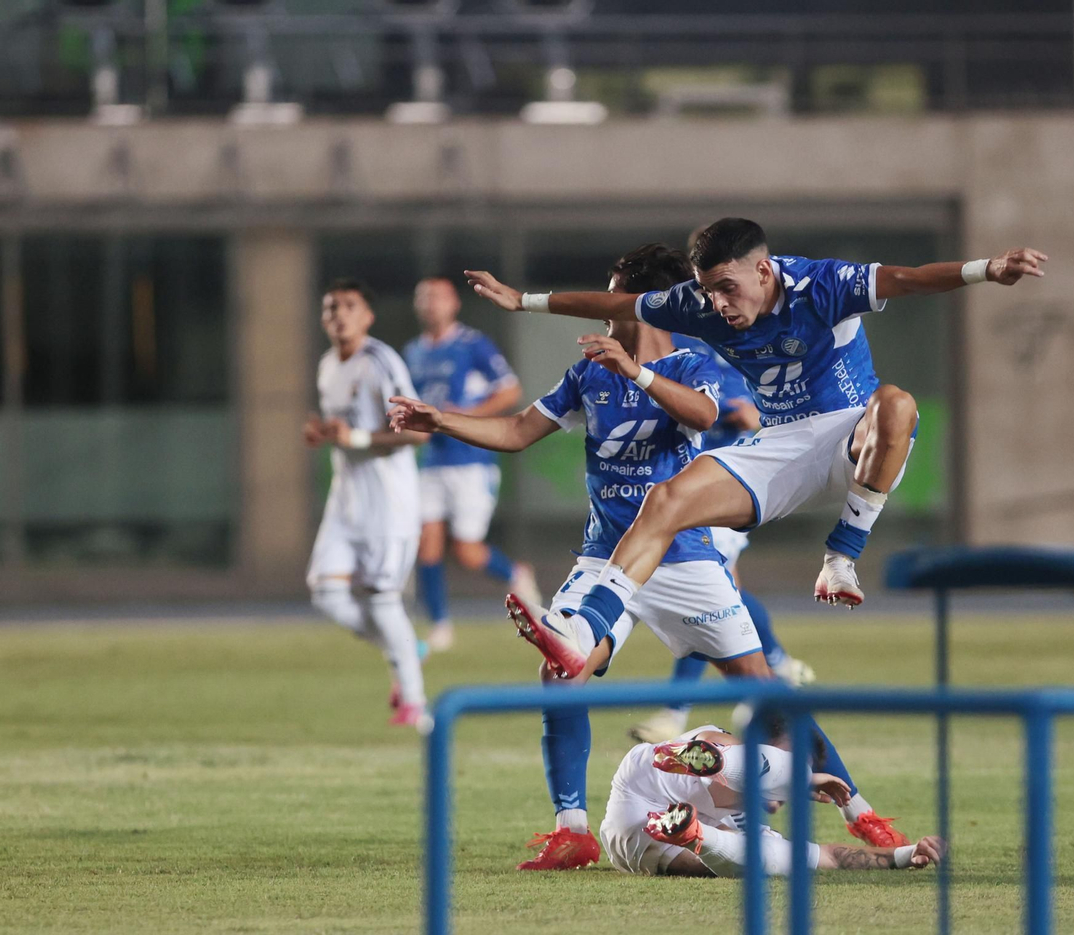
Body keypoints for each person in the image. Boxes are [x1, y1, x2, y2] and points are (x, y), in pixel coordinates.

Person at [387, 245, 902, 870]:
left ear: (641, 302)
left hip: (683, 559)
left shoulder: (693, 362)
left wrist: (635, 372)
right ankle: (572, 829)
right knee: (562, 675)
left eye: (613, 294)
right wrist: (440, 420)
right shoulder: (587, 373)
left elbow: (705, 413)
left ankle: (862, 812)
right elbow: (519, 430)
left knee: (766, 694)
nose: (605, 307)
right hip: (606, 559)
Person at [465, 218, 1046, 612]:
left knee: (897, 403)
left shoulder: (823, 284)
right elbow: (617, 302)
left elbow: (907, 279)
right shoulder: (698, 304)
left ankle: (841, 556)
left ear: (764, 271)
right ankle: (588, 622)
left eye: (727, 287)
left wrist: (987, 268)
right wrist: (523, 300)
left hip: (853, 436)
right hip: (780, 445)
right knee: (665, 500)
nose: (718, 303)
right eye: (708, 290)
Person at [611, 246, 812, 744]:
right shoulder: (670, 335)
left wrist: (739, 414)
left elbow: (752, 412)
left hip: (723, 481)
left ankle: (675, 712)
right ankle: (777, 667)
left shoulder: (723, 338)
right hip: (680, 483)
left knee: (708, 595)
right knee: (724, 598)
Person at [304, 279, 431, 727]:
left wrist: (354, 437)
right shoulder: (327, 365)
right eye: (331, 307)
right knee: (326, 593)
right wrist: (326, 433)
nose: (339, 314)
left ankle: (415, 704)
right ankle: (405, 647)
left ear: (367, 316)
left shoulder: (381, 361)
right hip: (346, 501)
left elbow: (417, 431)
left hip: (388, 505)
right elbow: (347, 429)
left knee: (380, 599)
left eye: (349, 306)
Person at [603, 723, 946, 878]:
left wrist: (906, 854)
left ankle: (694, 833)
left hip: (654, 837)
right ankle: (702, 806)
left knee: (774, 857)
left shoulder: (747, 820)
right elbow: (715, 738)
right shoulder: (718, 739)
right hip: (643, 786)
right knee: (733, 760)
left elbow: (828, 856)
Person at [403, 276, 541, 652]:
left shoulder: (472, 344)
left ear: (454, 304)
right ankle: (439, 625)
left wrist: (465, 417)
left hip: (471, 460)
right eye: (423, 297)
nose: (430, 304)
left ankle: (515, 572)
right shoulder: (413, 351)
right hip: (432, 460)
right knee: (427, 543)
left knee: (466, 550)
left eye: (437, 297)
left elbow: (510, 390)